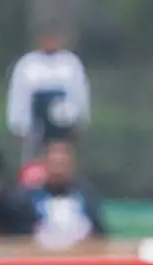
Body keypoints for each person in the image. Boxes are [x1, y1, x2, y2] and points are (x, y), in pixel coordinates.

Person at [6, 24, 91, 164]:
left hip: (63, 127)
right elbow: (19, 96)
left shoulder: (71, 63)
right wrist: (19, 126)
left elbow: (79, 95)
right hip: (36, 127)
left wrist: (79, 122)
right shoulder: (27, 64)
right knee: (35, 161)